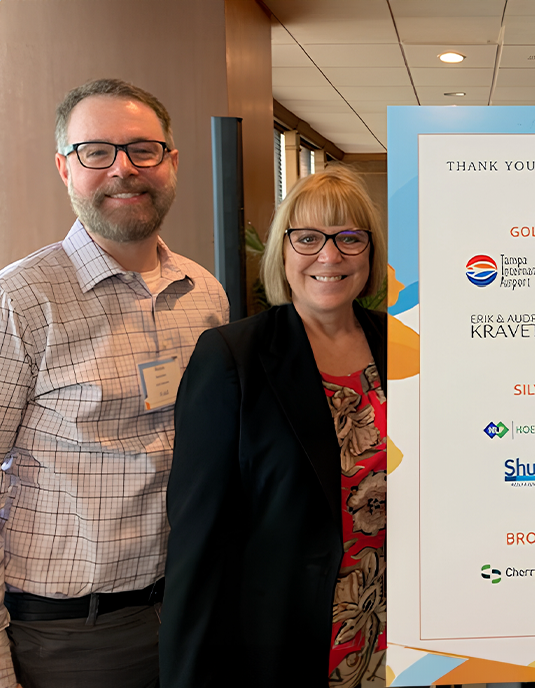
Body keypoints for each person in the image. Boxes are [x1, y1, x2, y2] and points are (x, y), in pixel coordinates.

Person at [0, 78, 228, 688]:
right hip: (73, 637)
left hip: (191, 609)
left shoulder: (204, 294)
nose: (123, 169)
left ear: (171, 161)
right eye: (95, 152)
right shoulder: (20, 298)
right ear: (64, 168)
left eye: (143, 149)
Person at [160, 167, 388, 688]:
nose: (329, 256)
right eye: (308, 238)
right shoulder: (232, 357)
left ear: (369, 253)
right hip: (287, 641)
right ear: (283, 253)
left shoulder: (403, 346)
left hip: (397, 630)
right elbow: (200, 540)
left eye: (349, 238)